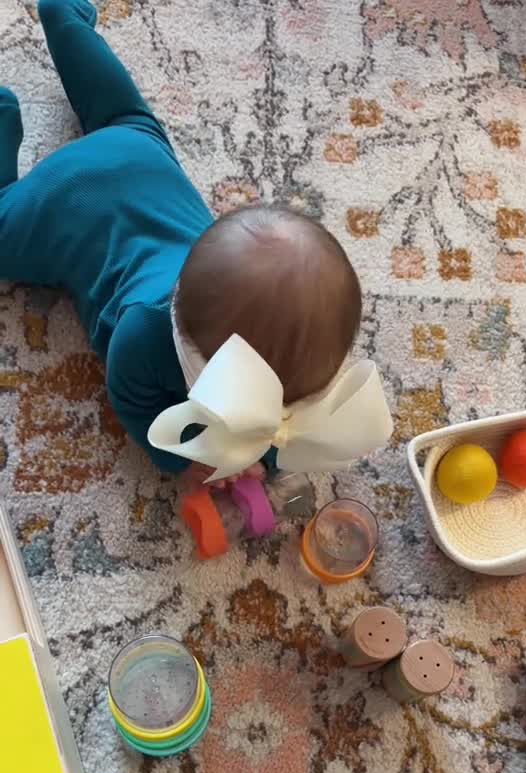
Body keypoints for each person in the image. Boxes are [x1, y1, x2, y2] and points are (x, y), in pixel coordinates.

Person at [0, 0, 386, 487]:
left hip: (140, 156)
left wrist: (271, 448)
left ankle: (65, 20)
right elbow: (133, 399)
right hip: (70, 202)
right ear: (191, 356)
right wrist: (182, 460)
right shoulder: (144, 333)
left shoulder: (277, 336)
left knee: (121, 113)